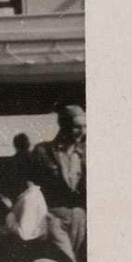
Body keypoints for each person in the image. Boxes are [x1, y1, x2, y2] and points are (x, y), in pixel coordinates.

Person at [26, 104, 86, 251]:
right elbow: (30, 184)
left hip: (81, 217)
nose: (82, 132)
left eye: (85, 126)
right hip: (54, 218)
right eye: (76, 127)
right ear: (64, 125)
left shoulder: (87, 152)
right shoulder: (43, 151)